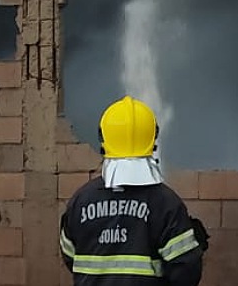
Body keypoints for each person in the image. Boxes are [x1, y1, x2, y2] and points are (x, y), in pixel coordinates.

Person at [60, 96, 208, 285]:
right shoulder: (166, 204)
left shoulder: (80, 200)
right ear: (152, 139)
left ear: (104, 140)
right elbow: (186, 269)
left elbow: (69, 254)